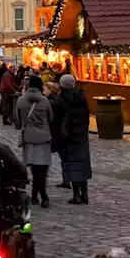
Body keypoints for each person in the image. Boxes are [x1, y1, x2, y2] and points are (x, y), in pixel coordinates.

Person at [15, 75, 54, 208]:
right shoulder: (44, 100)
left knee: (34, 167)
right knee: (42, 167)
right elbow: (50, 118)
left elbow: (18, 119)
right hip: (43, 137)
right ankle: (42, 194)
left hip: (29, 137)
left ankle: (36, 194)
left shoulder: (21, 100)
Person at [57, 75, 92, 204]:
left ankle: (76, 194)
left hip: (69, 136)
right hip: (81, 135)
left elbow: (59, 118)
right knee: (82, 164)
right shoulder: (81, 98)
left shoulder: (62, 99)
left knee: (72, 164)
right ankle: (85, 194)